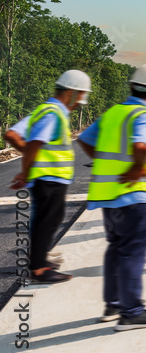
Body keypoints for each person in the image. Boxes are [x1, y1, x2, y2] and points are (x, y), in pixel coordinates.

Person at [78, 63, 146, 331]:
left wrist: (103, 162)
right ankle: (131, 312)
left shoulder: (114, 113)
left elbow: (84, 139)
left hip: (109, 196)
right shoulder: (145, 114)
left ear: (132, 86)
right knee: (132, 253)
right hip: (134, 196)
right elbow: (141, 145)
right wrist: (135, 168)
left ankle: (113, 304)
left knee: (116, 249)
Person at [6, 70, 91, 284]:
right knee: (47, 221)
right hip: (49, 178)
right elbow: (35, 143)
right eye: (79, 97)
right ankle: (39, 269)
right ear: (71, 92)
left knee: (48, 219)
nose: (78, 103)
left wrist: (32, 162)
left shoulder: (44, 110)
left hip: (47, 178)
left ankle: (39, 259)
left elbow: (12, 135)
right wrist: (27, 170)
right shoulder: (54, 114)